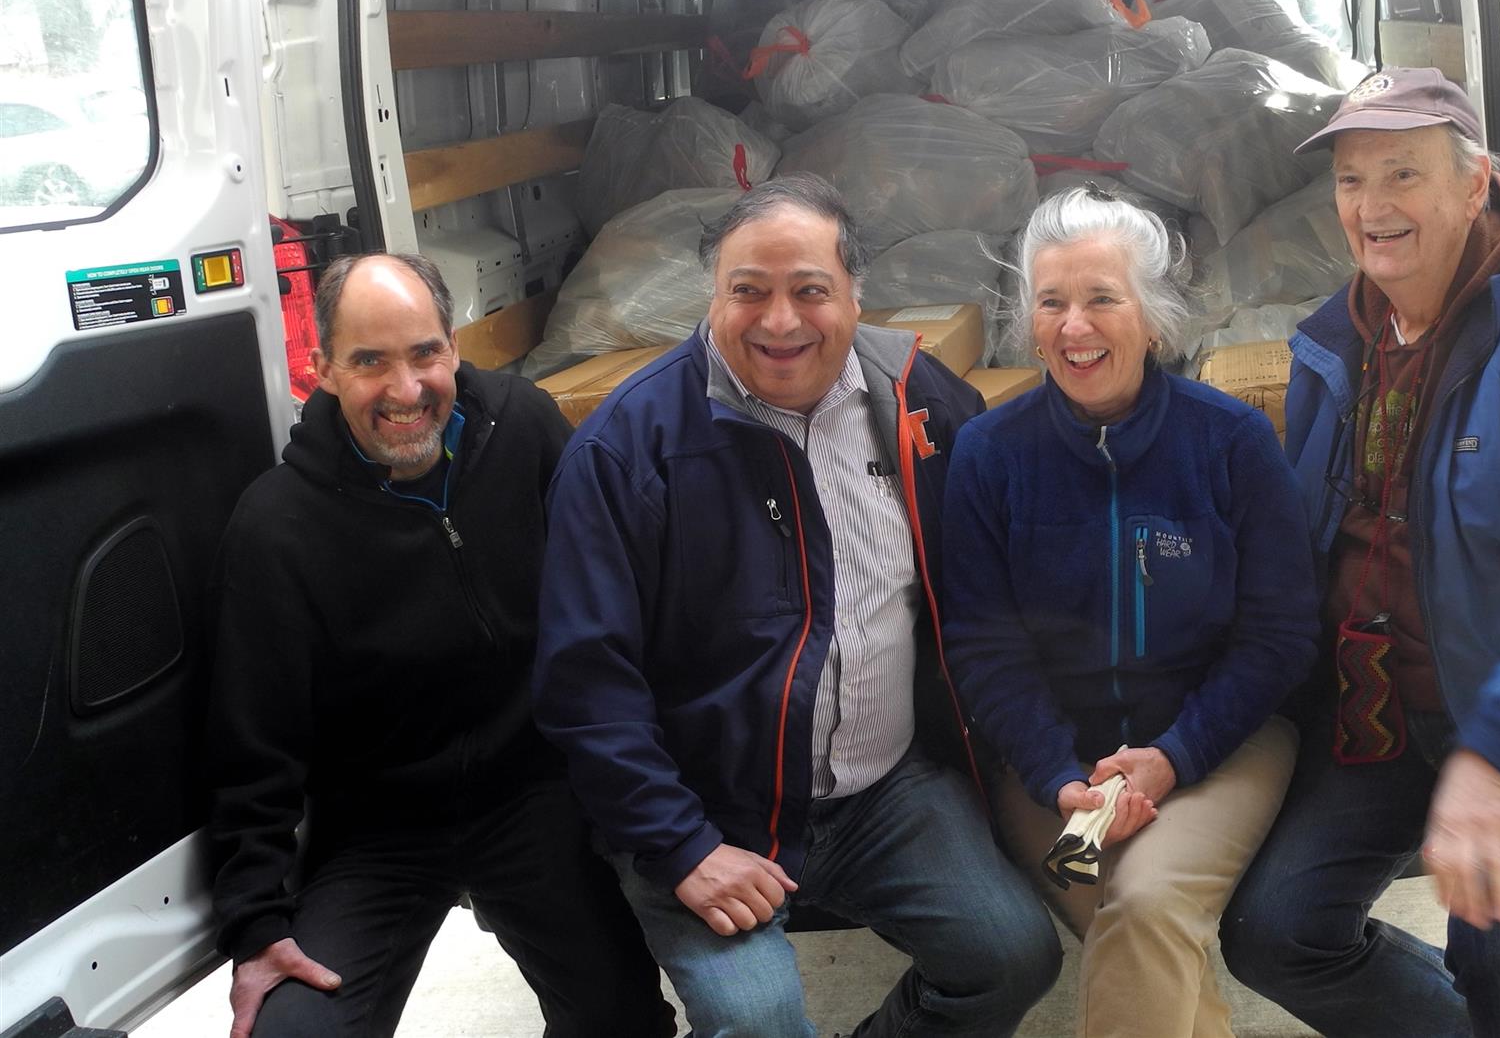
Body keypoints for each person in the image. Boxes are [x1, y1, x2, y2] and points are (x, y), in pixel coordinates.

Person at [533, 176, 1062, 1038]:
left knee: (1010, 958)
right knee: (761, 1025)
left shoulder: (916, 399)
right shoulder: (631, 449)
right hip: (710, 812)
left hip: (884, 794)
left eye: (810, 290)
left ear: (856, 297)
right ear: (714, 298)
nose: (780, 322)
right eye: (749, 291)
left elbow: (1007, 553)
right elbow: (586, 687)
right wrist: (682, 848)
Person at [1218, 67, 1500, 1037]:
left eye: (1402, 174)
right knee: (1274, 928)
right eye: (1350, 180)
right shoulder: (1331, 345)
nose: (1371, 207)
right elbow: (1303, 555)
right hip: (1385, 713)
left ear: (1474, 185)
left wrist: (1495, 757)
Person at [205, 253, 672, 1038]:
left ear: (453, 348)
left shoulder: (523, 427)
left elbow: (615, 604)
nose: (405, 389)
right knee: (290, 1033)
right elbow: (252, 743)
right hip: (378, 827)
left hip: (532, 791)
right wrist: (255, 925)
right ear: (319, 368)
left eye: (424, 352)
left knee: (622, 1019)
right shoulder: (275, 527)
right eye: (368, 361)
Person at [939, 186, 1322, 1038]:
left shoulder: (1229, 442)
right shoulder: (989, 457)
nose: (1075, 328)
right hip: (1054, 766)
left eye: (1102, 299)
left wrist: (1173, 756)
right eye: (1052, 303)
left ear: (1153, 317)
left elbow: (1280, 634)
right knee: (1145, 938)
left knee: (1144, 903)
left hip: (1220, 745)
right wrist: (1055, 776)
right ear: (1028, 321)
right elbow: (982, 646)